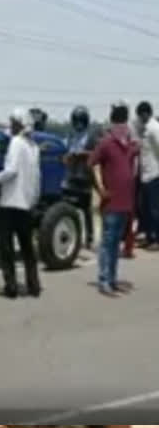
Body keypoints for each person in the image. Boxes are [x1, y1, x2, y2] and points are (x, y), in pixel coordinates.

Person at [89, 101, 139, 297]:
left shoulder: (129, 143)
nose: (122, 121)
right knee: (108, 243)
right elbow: (91, 164)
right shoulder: (106, 143)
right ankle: (104, 280)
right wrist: (100, 189)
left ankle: (112, 278)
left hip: (126, 202)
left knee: (116, 243)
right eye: (119, 117)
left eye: (123, 117)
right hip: (111, 202)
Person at [0, 108, 41, 299]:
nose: (10, 125)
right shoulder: (34, 147)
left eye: (13, 121)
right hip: (26, 204)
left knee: (6, 248)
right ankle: (33, 285)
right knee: (27, 248)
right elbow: (37, 177)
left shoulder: (16, 142)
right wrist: (34, 199)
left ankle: (11, 287)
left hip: (10, 202)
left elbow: (11, 171)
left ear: (19, 123)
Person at [65, 106, 97, 250]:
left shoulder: (90, 137)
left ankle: (89, 238)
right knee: (69, 208)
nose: (78, 124)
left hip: (85, 175)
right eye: (76, 121)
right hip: (71, 175)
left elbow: (95, 154)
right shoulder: (71, 136)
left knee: (86, 209)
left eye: (80, 121)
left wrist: (82, 154)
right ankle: (73, 236)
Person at [134, 101, 159, 251]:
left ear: (146, 113)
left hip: (154, 173)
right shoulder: (144, 129)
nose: (139, 118)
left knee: (154, 209)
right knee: (145, 209)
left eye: (140, 115)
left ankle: (156, 239)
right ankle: (149, 237)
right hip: (145, 174)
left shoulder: (154, 128)